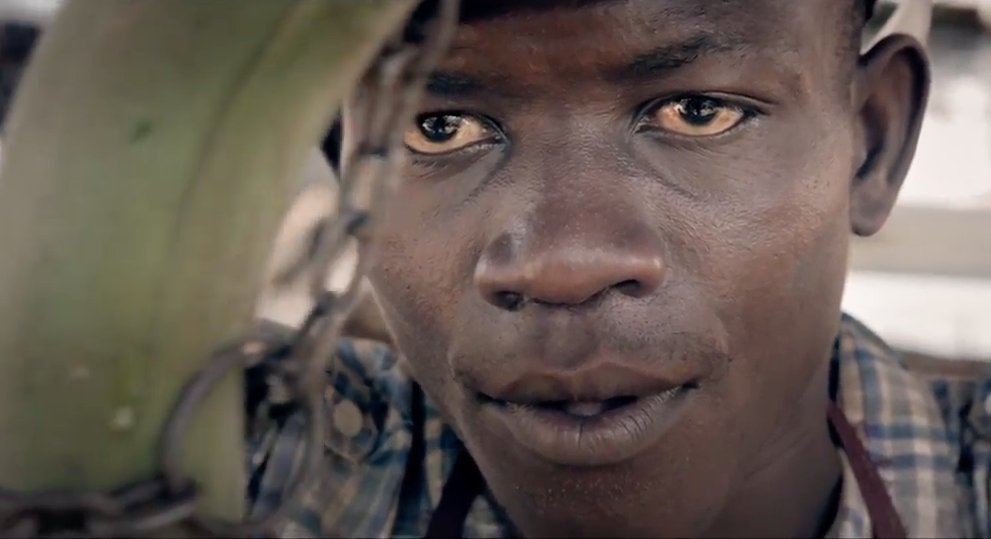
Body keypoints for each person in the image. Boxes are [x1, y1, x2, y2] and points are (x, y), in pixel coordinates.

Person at [248, 1, 991, 537]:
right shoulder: (242, 462)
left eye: (697, 112)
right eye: (439, 128)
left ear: (871, 144)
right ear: (342, 162)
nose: (560, 265)